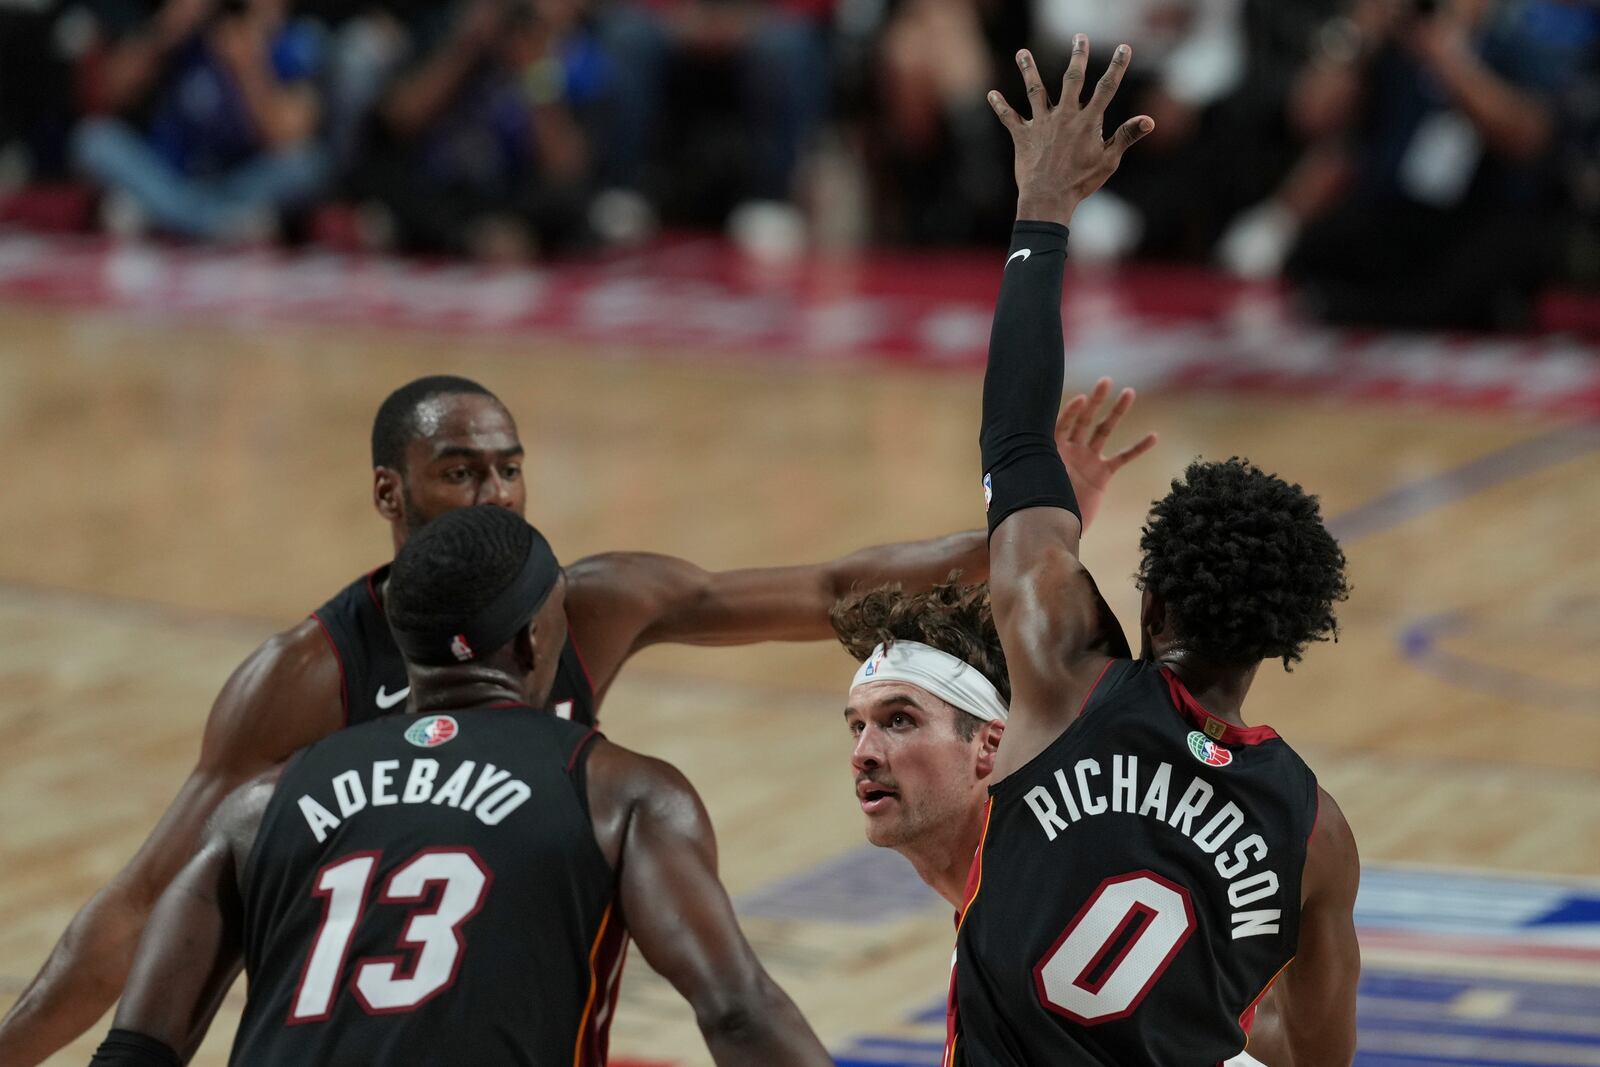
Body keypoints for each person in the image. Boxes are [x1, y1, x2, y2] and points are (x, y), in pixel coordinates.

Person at [0, 373, 1000, 1066]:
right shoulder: (306, 676)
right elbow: (138, 904)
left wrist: (1017, 539)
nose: (497, 495)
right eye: (462, 472)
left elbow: (831, 584)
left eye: (508, 467)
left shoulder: (583, 600)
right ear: (389, 491)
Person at [934, 39, 1360, 1064]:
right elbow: (1317, 1054)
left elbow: (1017, 440)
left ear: (1152, 600)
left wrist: (1043, 207)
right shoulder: (1315, 831)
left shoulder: (1060, 659)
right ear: (1285, 636)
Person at [83, 506, 833, 1067]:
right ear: (536, 637)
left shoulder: (257, 806)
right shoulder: (620, 791)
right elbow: (738, 1013)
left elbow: (136, 1050)